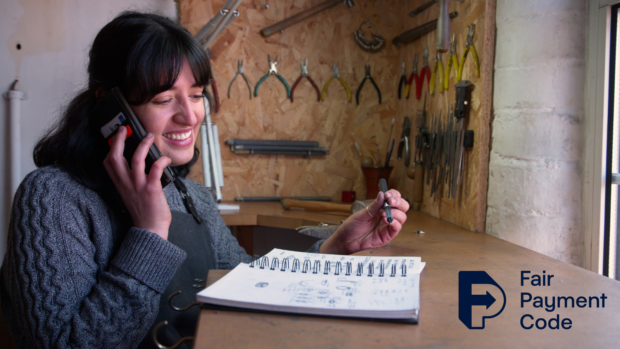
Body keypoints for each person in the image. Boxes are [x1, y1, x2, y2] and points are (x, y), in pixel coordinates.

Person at [0, 11, 409, 349]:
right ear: (111, 108)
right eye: (163, 100)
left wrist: (337, 246)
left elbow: (247, 283)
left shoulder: (189, 195)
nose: (190, 115)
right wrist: (149, 233)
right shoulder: (53, 199)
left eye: (195, 94)